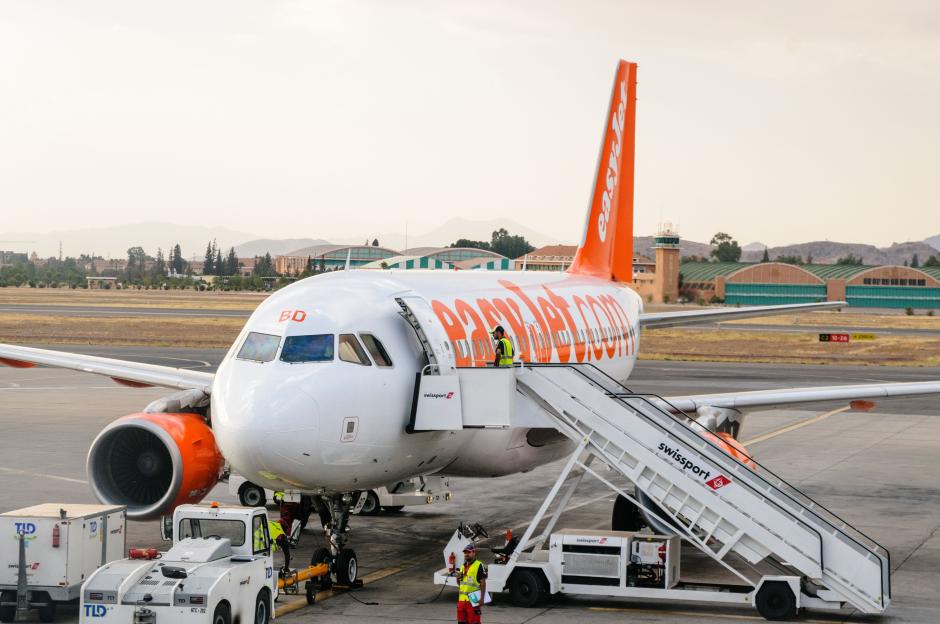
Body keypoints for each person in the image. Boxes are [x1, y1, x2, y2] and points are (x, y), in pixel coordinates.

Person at [456, 543, 487, 624]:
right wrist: (457, 579)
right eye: (465, 553)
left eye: (469, 552)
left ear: (474, 553)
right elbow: (461, 585)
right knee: (461, 622)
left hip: (473, 600)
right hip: (462, 601)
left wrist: (482, 599)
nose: (466, 554)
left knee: (474, 622)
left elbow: (483, 583)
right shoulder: (462, 566)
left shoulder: (479, 565)